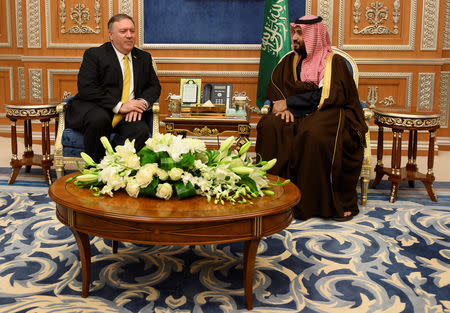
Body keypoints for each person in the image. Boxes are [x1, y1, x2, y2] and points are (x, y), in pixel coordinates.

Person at [256, 15, 368, 221]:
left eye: (300, 33)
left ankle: (316, 203)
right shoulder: (289, 60)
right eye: (294, 33)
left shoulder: (334, 62)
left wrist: (290, 104)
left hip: (330, 111)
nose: (295, 38)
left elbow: (328, 95)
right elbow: (276, 88)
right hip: (298, 113)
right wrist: (283, 106)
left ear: (315, 35)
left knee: (313, 133)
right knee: (270, 125)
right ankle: (274, 196)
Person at [66, 14, 161, 162]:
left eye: (132, 31)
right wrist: (120, 106)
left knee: (140, 130)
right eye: (123, 31)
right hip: (99, 107)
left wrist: (141, 103)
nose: (129, 35)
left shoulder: (144, 58)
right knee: (99, 120)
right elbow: (87, 88)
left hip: (130, 113)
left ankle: (114, 166)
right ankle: (95, 169)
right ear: (111, 35)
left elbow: (154, 86)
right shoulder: (95, 55)